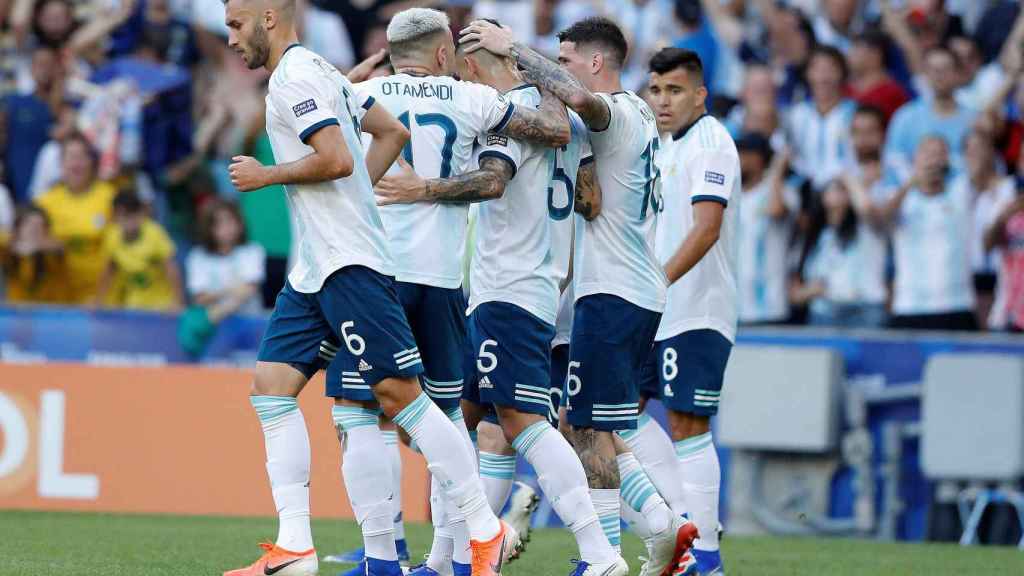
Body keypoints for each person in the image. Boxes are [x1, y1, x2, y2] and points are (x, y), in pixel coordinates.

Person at [219, 3, 517, 576]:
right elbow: (391, 132)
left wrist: (267, 176)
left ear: (269, 17)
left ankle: (485, 529)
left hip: (350, 263)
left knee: (400, 398)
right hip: (315, 267)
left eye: (236, 24)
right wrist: (356, 194)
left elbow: (333, 157)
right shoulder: (325, 71)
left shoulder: (299, 78)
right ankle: (295, 547)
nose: (231, 38)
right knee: (271, 387)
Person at [375, 25, 646, 576]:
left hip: (508, 289)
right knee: (455, 420)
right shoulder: (566, 123)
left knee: (524, 423)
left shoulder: (512, 115)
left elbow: (493, 182)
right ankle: (441, 561)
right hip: (534, 284)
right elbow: (589, 201)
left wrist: (422, 188)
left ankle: (601, 554)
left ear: (472, 68)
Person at [342, 8, 573, 576]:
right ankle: (454, 550)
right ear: (445, 54)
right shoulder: (467, 99)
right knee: (447, 417)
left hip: (374, 273)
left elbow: (318, 109)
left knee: (359, 412)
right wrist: (528, 62)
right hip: (444, 281)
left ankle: (383, 555)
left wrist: (363, 71)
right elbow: (555, 129)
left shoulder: (361, 94)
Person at [461, 16, 691, 576]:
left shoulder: (615, 109)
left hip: (611, 291)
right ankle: (662, 526)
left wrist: (510, 48)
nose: (554, 70)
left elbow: (578, 99)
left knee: (585, 432)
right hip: (621, 287)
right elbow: (590, 202)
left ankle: (605, 556)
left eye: (564, 60)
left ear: (594, 63)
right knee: (587, 424)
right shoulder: (625, 123)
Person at [635, 47, 735, 576]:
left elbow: (707, 227)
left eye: (675, 90)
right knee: (621, 411)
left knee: (688, 425)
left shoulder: (712, 141)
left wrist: (659, 278)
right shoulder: (665, 146)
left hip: (698, 308)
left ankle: (708, 558)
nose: (663, 100)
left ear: (700, 94)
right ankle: (683, 528)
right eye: (656, 90)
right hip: (658, 307)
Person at [872, 136, 977, 330]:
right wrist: (911, 182)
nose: (933, 159)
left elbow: (980, 165)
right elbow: (880, 221)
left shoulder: (961, 193)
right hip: (910, 306)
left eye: (939, 153)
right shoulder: (900, 199)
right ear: (914, 159)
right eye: (927, 153)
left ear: (948, 160)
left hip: (956, 304)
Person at [792, 175, 889, 328]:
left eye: (843, 189)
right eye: (832, 189)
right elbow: (795, 294)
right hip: (824, 313)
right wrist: (810, 291)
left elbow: (866, 208)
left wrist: (847, 176)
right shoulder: (815, 236)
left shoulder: (868, 229)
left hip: (865, 311)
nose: (838, 194)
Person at [35, 132, 117, 304]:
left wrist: (100, 298)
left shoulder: (110, 198)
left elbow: (120, 251)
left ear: (92, 162)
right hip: (58, 301)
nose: (76, 163)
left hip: (103, 300)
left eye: (82, 157)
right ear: (61, 163)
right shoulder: (44, 203)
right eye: (71, 157)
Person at [883, 45, 977, 183]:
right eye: (933, 70)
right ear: (925, 74)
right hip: (914, 198)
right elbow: (893, 163)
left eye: (945, 69)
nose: (939, 75)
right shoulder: (905, 117)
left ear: (958, 74)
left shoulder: (973, 120)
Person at [735, 135, 798, 325]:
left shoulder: (784, 191)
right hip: (735, 307)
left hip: (771, 307)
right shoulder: (731, 195)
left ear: (757, 159)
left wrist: (777, 171)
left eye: (742, 154)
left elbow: (777, 210)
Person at [954, 129, 1015, 327]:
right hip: (966, 274)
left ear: (991, 151)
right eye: (970, 150)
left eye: (980, 149)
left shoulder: (1009, 187)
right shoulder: (959, 187)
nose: (976, 155)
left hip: (1000, 272)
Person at [94, 190, 182, 311]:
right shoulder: (112, 237)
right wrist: (99, 300)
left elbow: (171, 268)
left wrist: (178, 302)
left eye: (132, 213)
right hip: (133, 306)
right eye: (123, 215)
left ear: (141, 213)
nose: (129, 221)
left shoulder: (155, 233)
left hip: (162, 305)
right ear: (115, 216)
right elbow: (109, 270)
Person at [786, 45, 856, 193]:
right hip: (803, 187)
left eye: (830, 69)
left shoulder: (854, 113)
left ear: (842, 73)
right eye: (816, 69)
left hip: (843, 187)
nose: (823, 77)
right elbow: (788, 153)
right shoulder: (797, 114)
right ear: (807, 74)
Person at [185, 199, 266, 318]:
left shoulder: (253, 251)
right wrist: (231, 290)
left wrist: (220, 311)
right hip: (213, 329)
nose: (227, 228)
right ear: (208, 228)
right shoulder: (197, 256)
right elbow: (200, 297)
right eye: (219, 223)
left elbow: (250, 289)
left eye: (230, 221)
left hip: (249, 324)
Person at [2, 204, 70, 304]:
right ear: (18, 229)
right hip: (15, 313)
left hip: (51, 313)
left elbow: (59, 248)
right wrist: (17, 243)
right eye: (30, 227)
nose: (35, 233)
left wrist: (33, 246)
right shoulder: (9, 248)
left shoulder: (53, 252)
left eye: (40, 228)